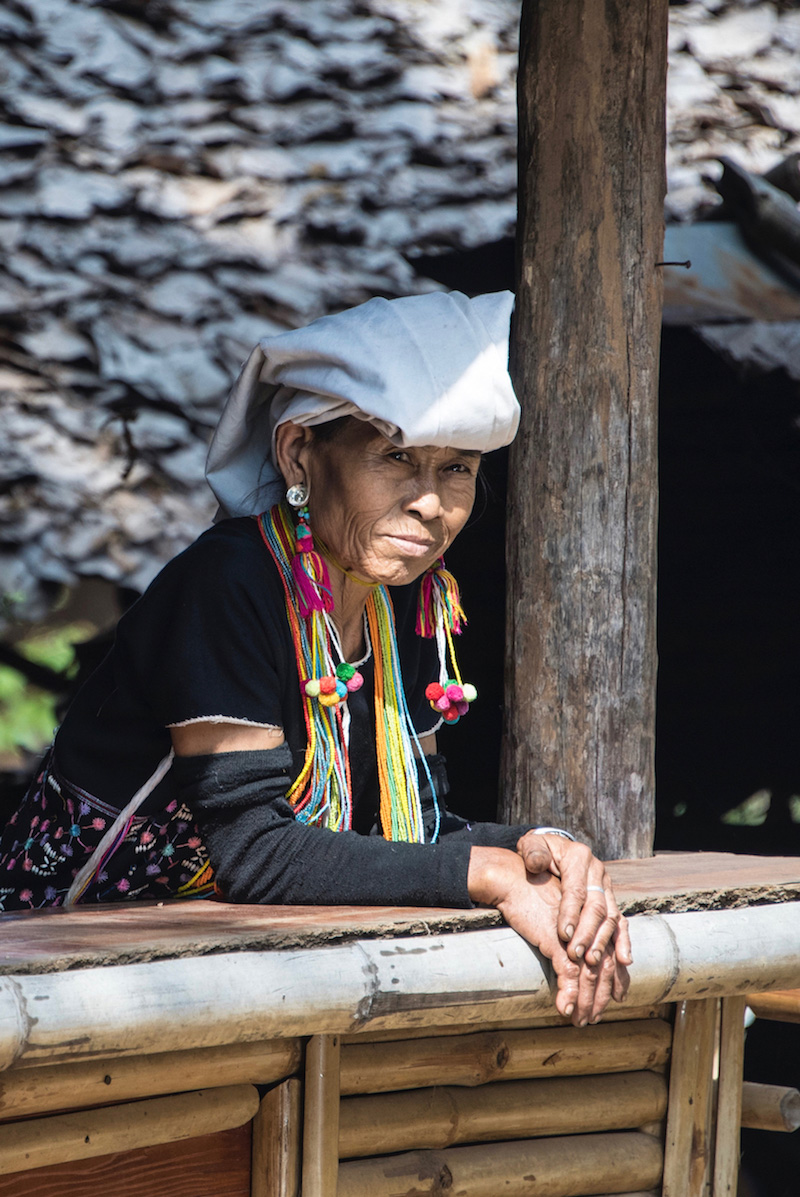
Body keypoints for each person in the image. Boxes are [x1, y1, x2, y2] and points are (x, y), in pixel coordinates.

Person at [0, 290, 630, 1026]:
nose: (430, 501)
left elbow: (414, 831)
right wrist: (485, 874)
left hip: (239, 979)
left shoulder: (407, 603)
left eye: (456, 468)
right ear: (300, 451)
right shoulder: (227, 584)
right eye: (396, 456)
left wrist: (540, 850)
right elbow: (255, 849)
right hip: (56, 977)